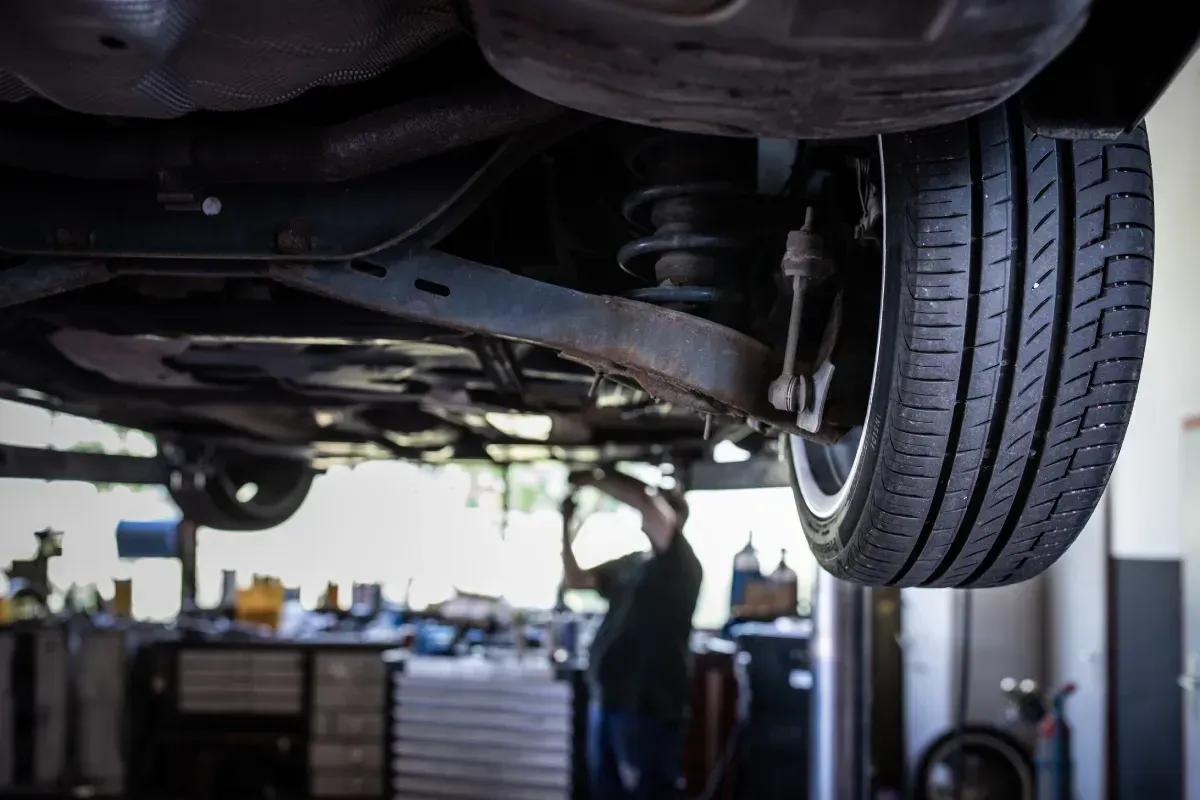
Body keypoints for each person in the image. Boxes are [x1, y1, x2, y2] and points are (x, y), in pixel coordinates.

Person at [561, 467, 703, 800]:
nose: (647, 515)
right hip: (608, 699)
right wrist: (564, 525)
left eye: (662, 509)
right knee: (606, 790)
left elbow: (644, 502)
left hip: (647, 707)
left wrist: (595, 477)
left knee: (649, 792)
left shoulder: (681, 565)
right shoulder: (634, 563)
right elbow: (576, 580)